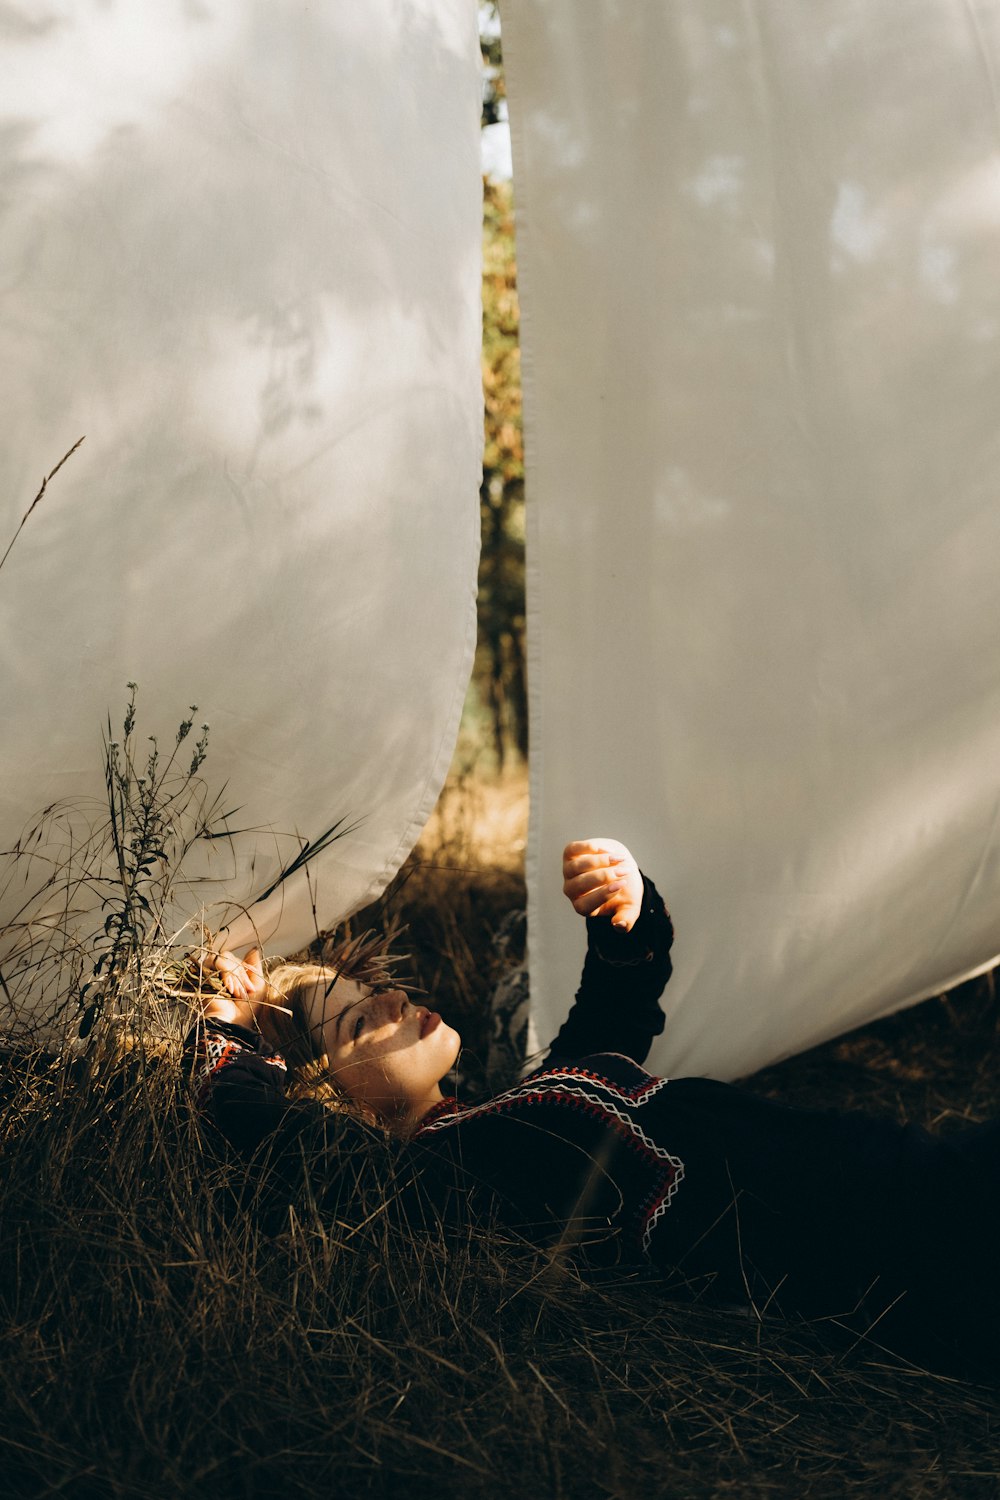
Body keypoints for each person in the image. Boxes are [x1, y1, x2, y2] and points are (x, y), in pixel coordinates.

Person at [186, 839, 999, 1379]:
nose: (396, 997)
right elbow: (256, 1123)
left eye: (379, 990)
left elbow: (619, 1006)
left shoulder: (526, 1101)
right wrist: (238, 1026)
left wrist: (626, 908)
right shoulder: (439, 1180)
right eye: (362, 1019)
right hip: (845, 1241)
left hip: (878, 1165)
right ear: (342, 1106)